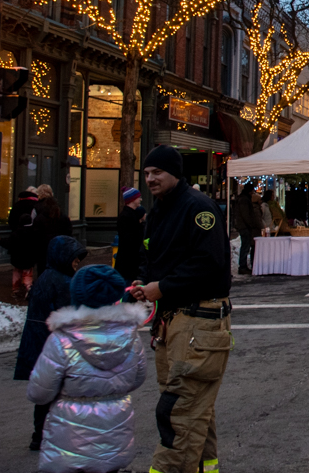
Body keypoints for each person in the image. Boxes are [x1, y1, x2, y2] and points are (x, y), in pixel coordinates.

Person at [129, 145, 232, 473]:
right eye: (146, 173)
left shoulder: (198, 207)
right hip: (173, 322)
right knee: (193, 406)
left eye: (157, 172)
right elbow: (151, 255)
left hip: (197, 322)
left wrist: (162, 287)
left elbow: (211, 263)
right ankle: (206, 467)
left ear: (175, 173)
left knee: (179, 411)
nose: (150, 179)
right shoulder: (158, 210)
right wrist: (143, 281)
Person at [27, 265, 148, 473]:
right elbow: (138, 378)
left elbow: (39, 392)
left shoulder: (62, 339)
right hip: (116, 431)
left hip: (69, 439)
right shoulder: (131, 337)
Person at [14, 235, 88, 451]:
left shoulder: (46, 277)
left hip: (41, 344)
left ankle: (40, 434)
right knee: (59, 392)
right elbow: (71, 316)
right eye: (74, 258)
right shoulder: (62, 282)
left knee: (47, 392)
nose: (77, 263)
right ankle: (50, 435)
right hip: (56, 346)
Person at [6, 189, 40, 299]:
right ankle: (28, 288)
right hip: (28, 254)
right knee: (27, 272)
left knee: (17, 270)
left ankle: (15, 289)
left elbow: (10, 221)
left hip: (17, 252)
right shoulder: (35, 206)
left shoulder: (16, 205)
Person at [33, 197, 74, 275]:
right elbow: (68, 232)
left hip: (44, 249)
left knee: (43, 270)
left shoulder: (40, 218)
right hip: (60, 248)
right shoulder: (63, 217)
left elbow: (36, 235)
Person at [115, 188, 146, 284]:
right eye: (138, 197)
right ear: (132, 199)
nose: (140, 199)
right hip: (128, 263)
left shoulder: (132, 215)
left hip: (130, 262)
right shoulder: (127, 216)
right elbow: (131, 240)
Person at [231, 183, 263, 275]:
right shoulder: (244, 200)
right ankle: (242, 266)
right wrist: (250, 224)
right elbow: (246, 214)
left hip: (243, 225)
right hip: (245, 226)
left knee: (245, 246)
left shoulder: (242, 198)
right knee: (245, 246)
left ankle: (243, 266)